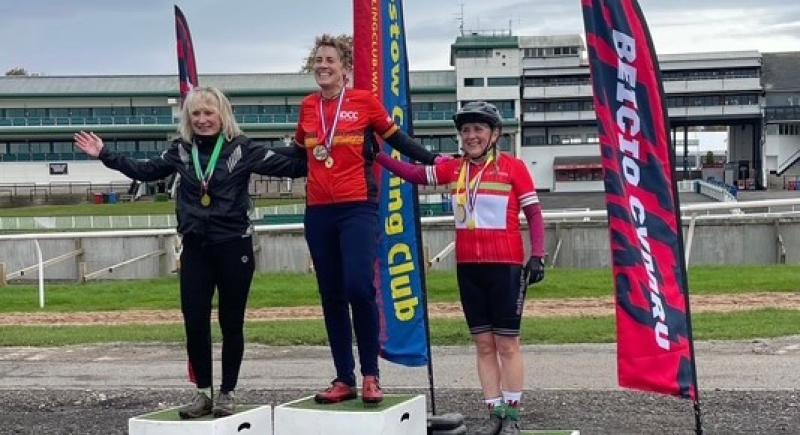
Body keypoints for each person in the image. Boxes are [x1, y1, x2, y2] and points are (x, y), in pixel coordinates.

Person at [74, 86, 307, 419]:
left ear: (222, 115)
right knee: (195, 322)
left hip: (233, 246)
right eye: (196, 114)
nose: (202, 120)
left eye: (208, 113)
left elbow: (294, 167)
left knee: (231, 323)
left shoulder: (243, 149)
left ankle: (227, 393)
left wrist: (328, 149)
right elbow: (144, 171)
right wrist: (105, 154)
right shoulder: (181, 152)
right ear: (188, 118)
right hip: (196, 247)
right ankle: (202, 393)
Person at [273, 34, 443, 405]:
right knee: (331, 294)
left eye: (329, 60)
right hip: (318, 211)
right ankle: (343, 378)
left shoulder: (365, 103)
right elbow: (299, 155)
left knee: (358, 287)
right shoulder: (307, 107)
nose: (322, 66)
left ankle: (371, 375)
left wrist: (435, 162)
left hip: (357, 207)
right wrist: (252, 155)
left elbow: (398, 140)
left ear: (345, 68)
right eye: (317, 60)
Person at [373, 101, 545, 435]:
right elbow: (415, 174)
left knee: (507, 345)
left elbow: (535, 214)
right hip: (469, 269)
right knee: (483, 345)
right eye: (466, 130)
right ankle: (494, 413)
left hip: (506, 267)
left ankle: (513, 416)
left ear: (494, 134)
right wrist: (377, 156)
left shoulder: (513, 167)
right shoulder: (456, 169)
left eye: (479, 129)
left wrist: (538, 255)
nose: (471, 136)